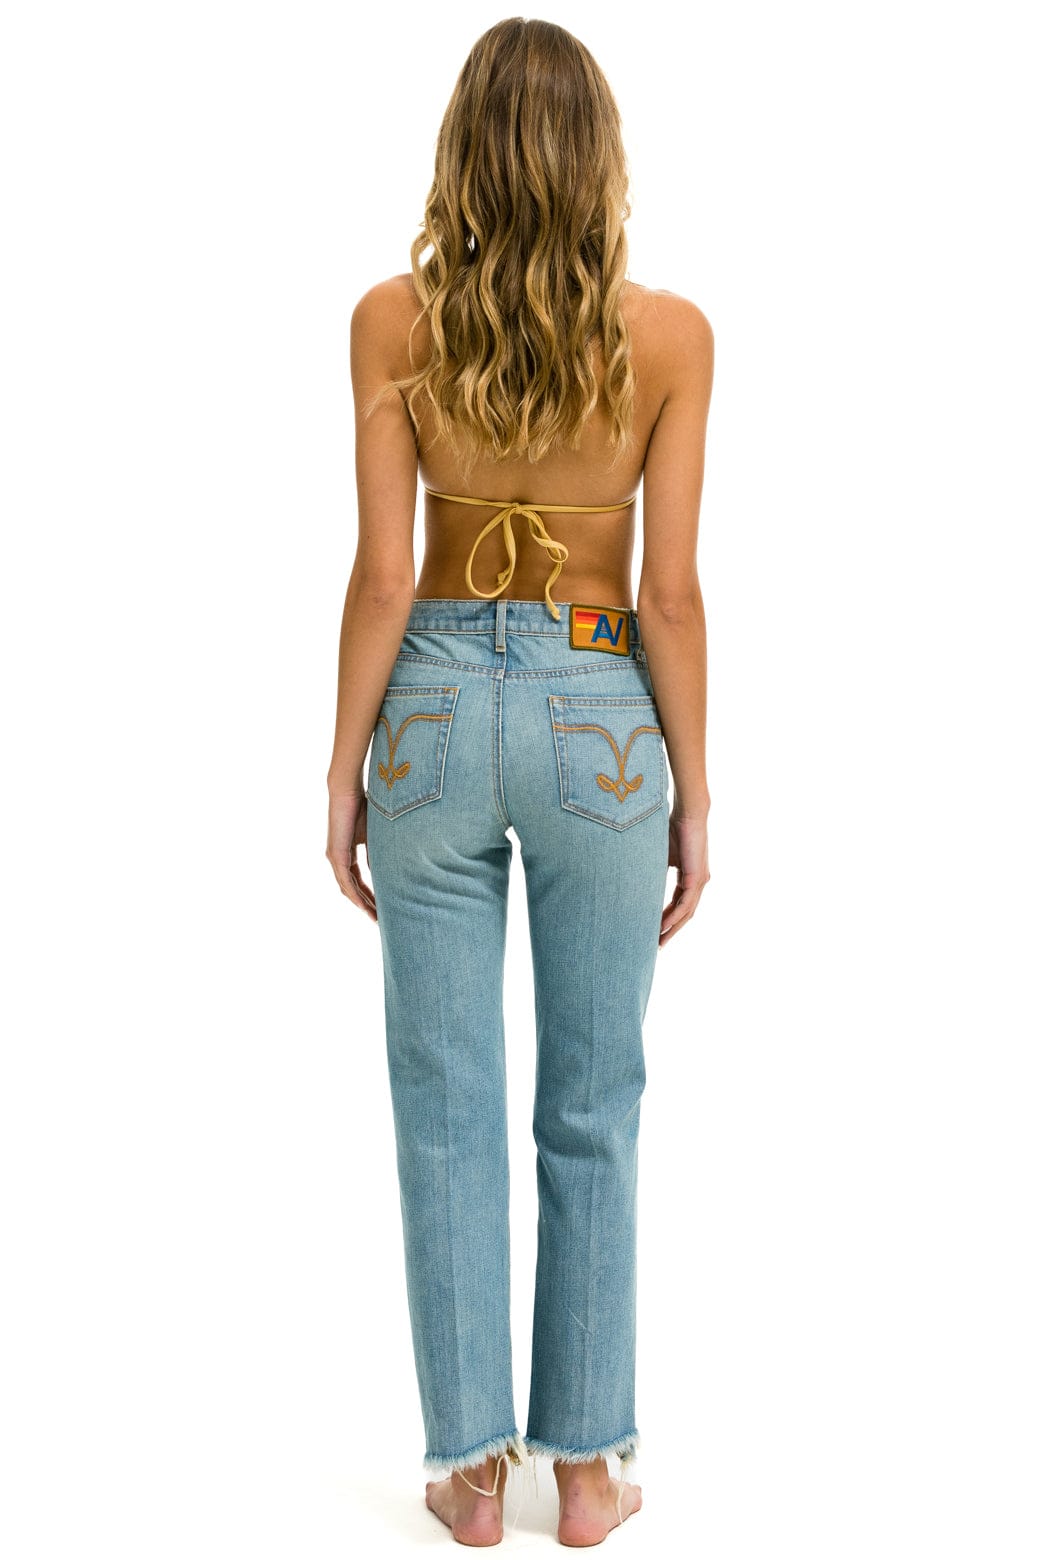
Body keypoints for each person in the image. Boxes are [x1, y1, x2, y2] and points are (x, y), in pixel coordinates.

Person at [325, 17, 712, 1548]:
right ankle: (591, 1470)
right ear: (598, 159)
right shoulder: (670, 341)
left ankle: (470, 1471)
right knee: (594, 1095)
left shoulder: (390, 322)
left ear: (462, 155)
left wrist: (342, 769)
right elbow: (668, 594)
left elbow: (383, 573)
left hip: (428, 702)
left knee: (444, 1096)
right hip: (597, 707)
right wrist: (696, 795)